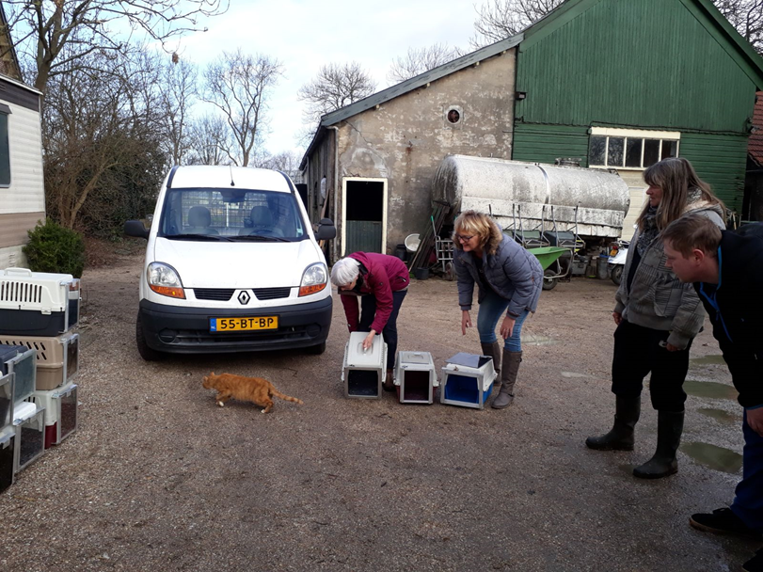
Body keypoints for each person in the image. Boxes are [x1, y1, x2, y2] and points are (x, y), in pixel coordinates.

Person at [585, 157, 726, 479]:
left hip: (666, 324)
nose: (648, 190)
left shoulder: (703, 221)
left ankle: (666, 457)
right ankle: (622, 434)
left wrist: (682, 332)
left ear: (674, 187)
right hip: (637, 315)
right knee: (624, 377)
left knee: (666, 390)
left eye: (654, 185)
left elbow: (699, 286)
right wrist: (622, 302)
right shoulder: (653, 215)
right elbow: (634, 259)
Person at [661, 214, 763, 572]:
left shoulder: (756, 269)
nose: (667, 264)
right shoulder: (708, 282)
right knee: (757, 430)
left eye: (672, 258)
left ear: (698, 256)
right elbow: (732, 341)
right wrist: (753, 398)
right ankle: (750, 518)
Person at [452, 210, 543, 409]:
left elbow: (525, 285)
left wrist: (511, 316)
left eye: (467, 237)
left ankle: (507, 390)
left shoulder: (507, 250)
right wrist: (465, 308)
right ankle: (495, 373)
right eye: (459, 235)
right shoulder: (460, 250)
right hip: (496, 284)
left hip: (526, 283)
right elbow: (464, 280)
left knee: (511, 332)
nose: (461, 241)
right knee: (484, 325)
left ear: (482, 235)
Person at [330, 252, 410, 391]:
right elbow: (351, 310)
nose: (341, 289)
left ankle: (389, 369)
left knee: (388, 324)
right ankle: (363, 366)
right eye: (339, 286)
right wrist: (355, 334)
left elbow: (384, 306)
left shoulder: (375, 272)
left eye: (344, 286)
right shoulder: (345, 276)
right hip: (369, 284)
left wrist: (372, 333)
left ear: (355, 277)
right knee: (366, 319)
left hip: (395, 279)